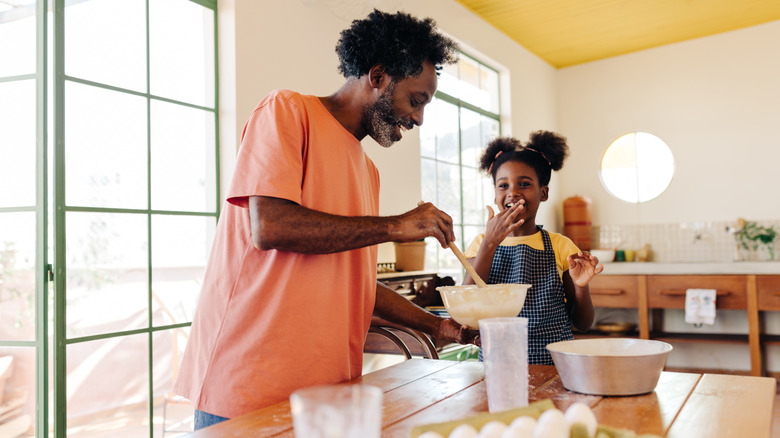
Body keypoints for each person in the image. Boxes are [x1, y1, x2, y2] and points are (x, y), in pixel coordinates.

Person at [174, 9, 479, 430]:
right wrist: (396, 225)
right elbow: (271, 227)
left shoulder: (368, 170)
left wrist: (440, 327)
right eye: (417, 99)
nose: (419, 118)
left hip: (329, 396)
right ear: (377, 77)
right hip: (249, 385)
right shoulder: (286, 111)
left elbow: (355, 283)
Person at [463, 132, 603, 365]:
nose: (513, 192)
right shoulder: (481, 243)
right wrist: (489, 244)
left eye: (524, 184)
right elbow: (467, 307)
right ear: (496, 193)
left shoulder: (561, 246)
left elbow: (583, 323)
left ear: (543, 193)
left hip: (555, 366)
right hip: (497, 365)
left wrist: (581, 287)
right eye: (503, 185)